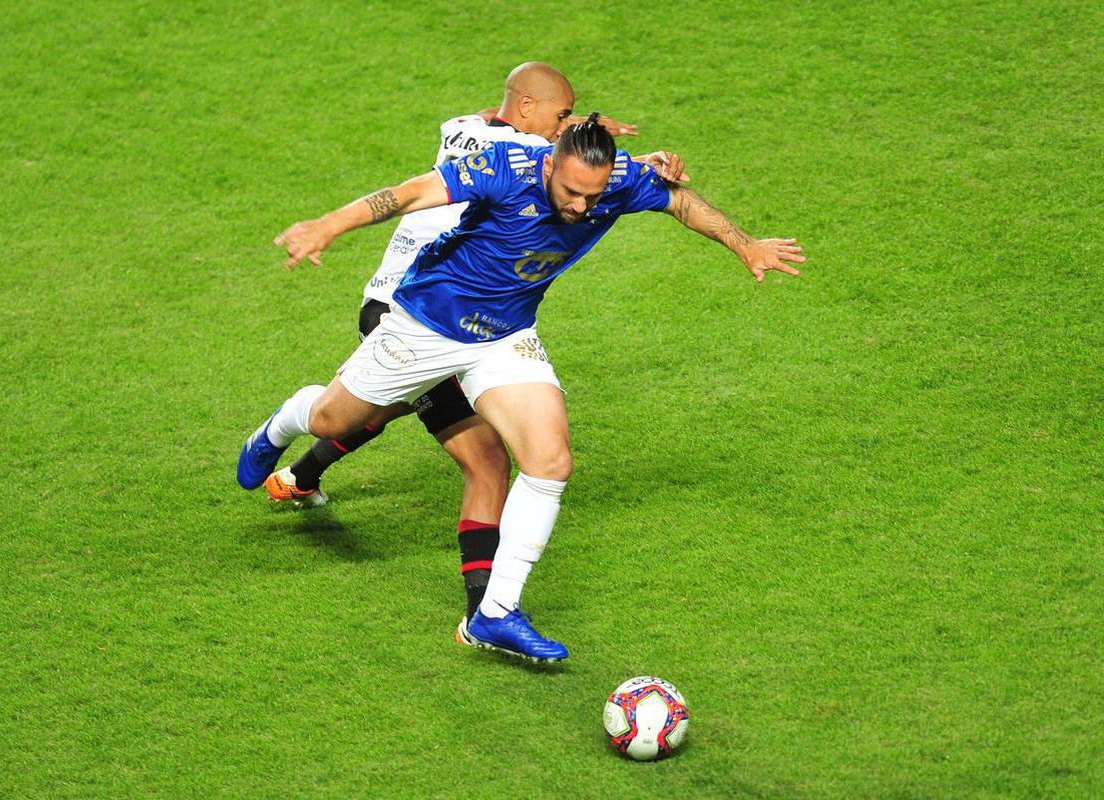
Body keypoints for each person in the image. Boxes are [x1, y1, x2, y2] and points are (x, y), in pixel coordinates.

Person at [240, 114, 805, 663]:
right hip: (426, 324)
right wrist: (326, 226)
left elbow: (679, 199)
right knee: (332, 421)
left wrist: (744, 243)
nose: (582, 208)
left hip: (506, 336)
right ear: (551, 160)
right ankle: (277, 428)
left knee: (550, 461)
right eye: (572, 192)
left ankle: (495, 611)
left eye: (594, 196)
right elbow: (409, 194)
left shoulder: (615, 181)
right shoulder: (504, 168)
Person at [243, 63, 684, 639]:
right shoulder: (512, 157)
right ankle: (287, 441)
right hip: (413, 306)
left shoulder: (470, 128)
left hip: (478, 320)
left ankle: (488, 612)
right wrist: (634, 158)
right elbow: (529, 153)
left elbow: (524, 131)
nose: (566, 125)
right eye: (561, 117)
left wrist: (609, 145)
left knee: (473, 450)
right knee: (385, 417)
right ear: (530, 113)